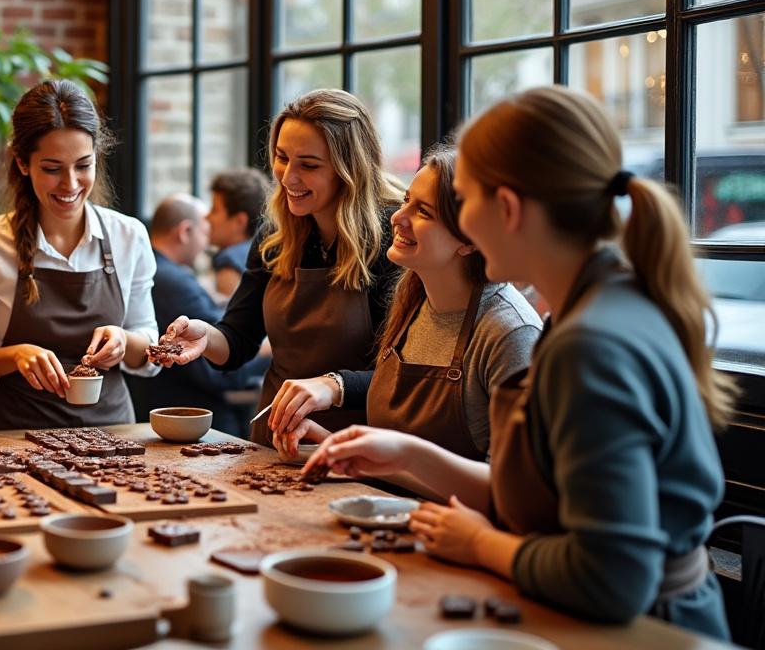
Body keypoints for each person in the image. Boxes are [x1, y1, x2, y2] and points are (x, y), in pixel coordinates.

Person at [307, 86, 734, 637]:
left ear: (505, 208)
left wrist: (483, 545)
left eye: (464, 198)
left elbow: (613, 579)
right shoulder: (595, 305)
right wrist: (404, 452)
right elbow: (546, 502)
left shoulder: (590, 346)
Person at [157, 88, 403, 445]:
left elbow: (401, 375)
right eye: (282, 157)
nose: (288, 177)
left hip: (358, 446)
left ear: (349, 168)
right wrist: (204, 336)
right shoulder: (276, 234)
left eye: (309, 165)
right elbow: (238, 340)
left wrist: (333, 385)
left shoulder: (391, 236)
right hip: (276, 438)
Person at [269, 144, 541, 462]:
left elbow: (510, 487)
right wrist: (334, 448)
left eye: (423, 212)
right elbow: (399, 469)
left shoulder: (510, 332)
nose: (398, 218)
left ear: (470, 239)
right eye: (406, 201)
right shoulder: (410, 300)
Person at [0, 80, 160, 429]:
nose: (71, 184)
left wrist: (125, 341)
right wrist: (15, 356)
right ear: (22, 163)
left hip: (113, 436)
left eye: (83, 165)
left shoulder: (128, 236)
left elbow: (149, 347)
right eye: (52, 168)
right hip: (13, 437)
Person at [129, 194, 271, 435]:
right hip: (190, 421)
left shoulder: (151, 272)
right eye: (205, 232)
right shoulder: (175, 283)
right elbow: (217, 373)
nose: (208, 245)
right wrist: (271, 350)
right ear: (185, 231)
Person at [206, 168, 272, 300]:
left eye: (214, 210)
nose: (207, 217)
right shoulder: (263, 251)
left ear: (239, 221)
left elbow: (226, 315)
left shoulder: (229, 262)